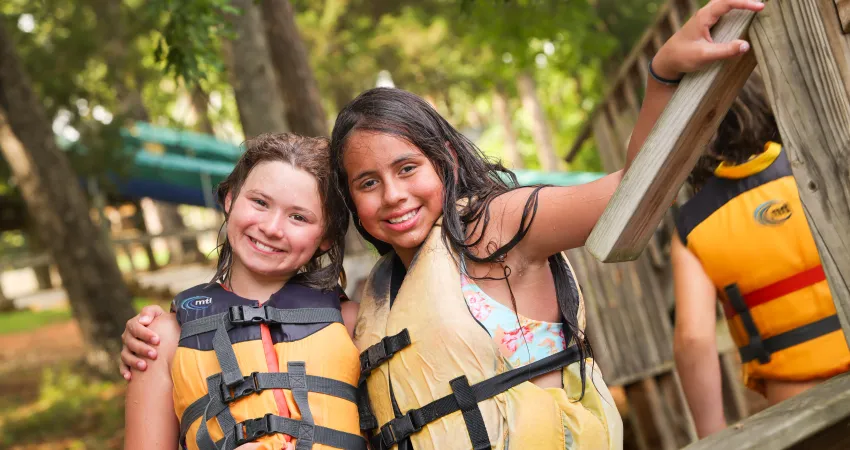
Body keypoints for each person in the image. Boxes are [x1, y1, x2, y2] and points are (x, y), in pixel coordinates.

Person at [121, 1, 767, 448]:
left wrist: (660, 75)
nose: (393, 196)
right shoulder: (370, 298)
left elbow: (632, 193)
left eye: (408, 169)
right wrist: (160, 328)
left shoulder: (496, 230)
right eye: (366, 184)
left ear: (448, 160)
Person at [123, 134, 365, 450]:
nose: (272, 228)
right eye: (260, 202)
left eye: (298, 217)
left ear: (327, 236)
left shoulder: (353, 323)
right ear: (230, 200)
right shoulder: (162, 338)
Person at [671, 73, 850, 438]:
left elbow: (693, 337)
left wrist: (712, 434)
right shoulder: (826, 169)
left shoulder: (692, 224)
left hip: (795, 398)